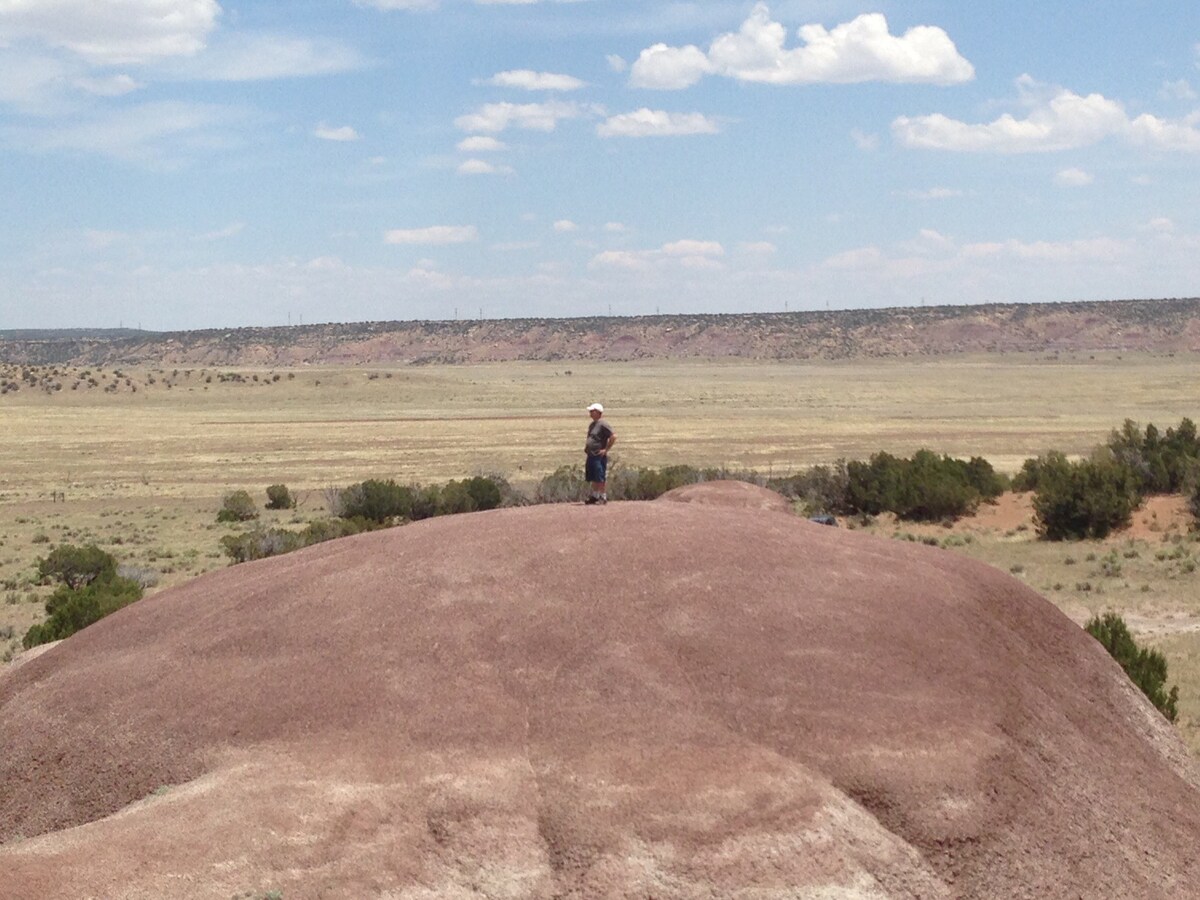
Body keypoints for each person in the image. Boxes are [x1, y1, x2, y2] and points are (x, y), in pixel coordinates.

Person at [584, 402, 616, 504]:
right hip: (591, 454)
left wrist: (605, 450)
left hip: (598, 455)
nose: (590, 413)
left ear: (598, 412)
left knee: (600, 476)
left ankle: (603, 497)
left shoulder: (603, 424)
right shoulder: (592, 425)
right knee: (593, 476)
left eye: (592, 411)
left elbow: (613, 436)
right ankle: (595, 496)